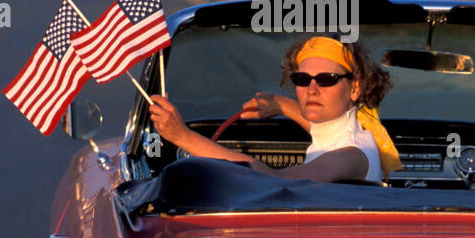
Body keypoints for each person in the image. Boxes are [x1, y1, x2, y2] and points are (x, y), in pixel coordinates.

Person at [148, 35, 401, 183]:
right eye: (302, 80)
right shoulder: (348, 132)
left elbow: (271, 181)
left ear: (354, 89)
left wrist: (183, 137)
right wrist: (281, 104)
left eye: (326, 80)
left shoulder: (350, 155)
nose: (311, 89)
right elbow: (321, 129)